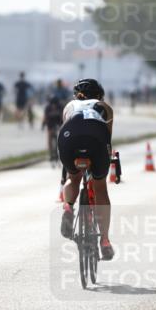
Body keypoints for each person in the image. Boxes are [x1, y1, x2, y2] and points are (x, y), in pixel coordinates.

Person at [58, 78, 115, 261]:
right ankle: (104, 241)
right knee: (99, 187)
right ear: (99, 95)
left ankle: (68, 206)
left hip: (68, 140)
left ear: (76, 95)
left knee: (73, 178)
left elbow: (66, 126)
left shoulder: (69, 106)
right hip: (96, 140)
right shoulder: (104, 107)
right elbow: (107, 138)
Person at [41, 93, 64, 163]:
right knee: (49, 136)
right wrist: (43, 124)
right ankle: (51, 153)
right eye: (52, 104)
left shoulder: (60, 107)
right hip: (50, 123)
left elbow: (63, 117)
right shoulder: (48, 108)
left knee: (61, 136)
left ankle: (61, 151)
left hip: (58, 122)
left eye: (55, 104)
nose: (54, 105)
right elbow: (45, 117)